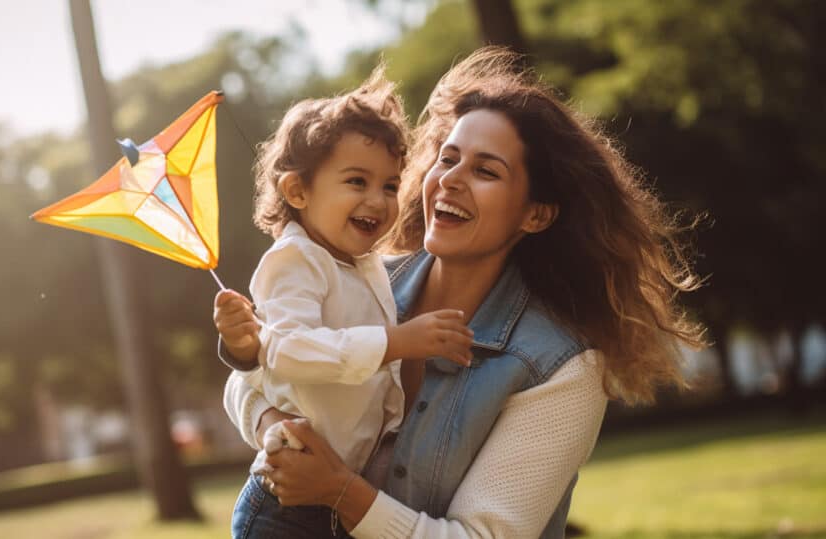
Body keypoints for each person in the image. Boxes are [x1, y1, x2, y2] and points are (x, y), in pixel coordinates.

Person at [216, 46, 705, 538]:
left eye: (486, 171)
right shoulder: (366, 276)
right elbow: (257, 375)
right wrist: (276, 429)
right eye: (447, 159)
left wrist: (339, 490)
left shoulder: (559, 365)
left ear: (536, 214)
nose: (449, 179)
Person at [217, 67, 475, 538]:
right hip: (284, 509)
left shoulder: (366, 262)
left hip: (336, 499)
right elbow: (287, 351)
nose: (378, 201)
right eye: (357, 181)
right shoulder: (294, 260)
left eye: (391, 186)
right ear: (297, 191)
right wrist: (396, 342)